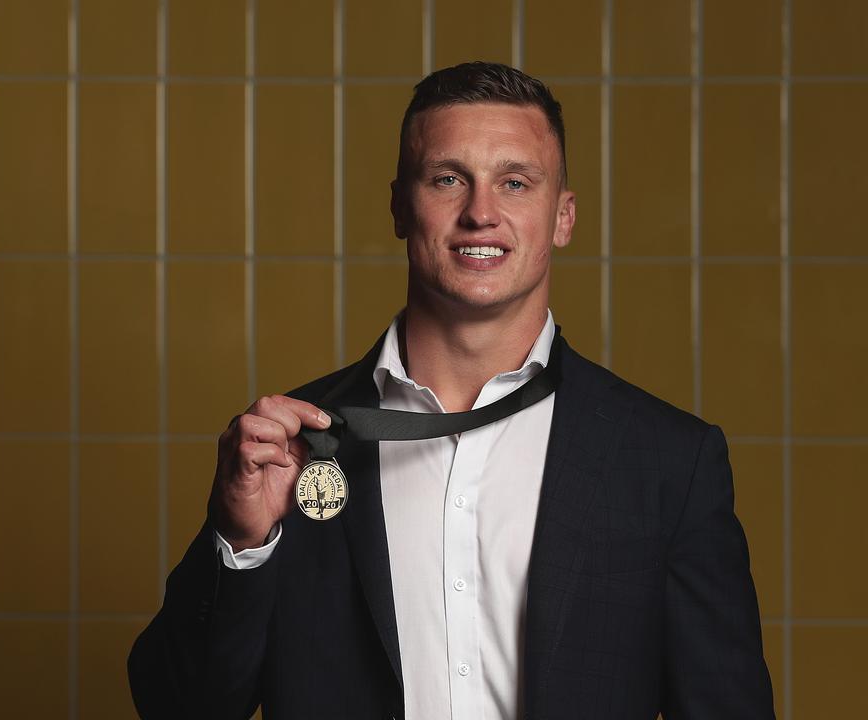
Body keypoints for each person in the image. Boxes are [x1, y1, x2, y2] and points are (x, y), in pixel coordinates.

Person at [129, 61, 774, 719]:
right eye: (447, 180)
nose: (481, 214)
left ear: (563, 217)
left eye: (515, 183)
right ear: (399, 207)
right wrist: (241, 546)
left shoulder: (668, 462)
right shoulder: (291, 447)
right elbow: (177, 706)